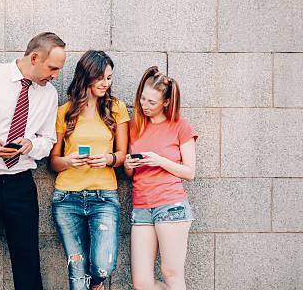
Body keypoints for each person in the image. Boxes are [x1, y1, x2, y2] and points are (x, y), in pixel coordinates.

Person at [0, 32, 67, 290]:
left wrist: (31, 146)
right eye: (52, 68)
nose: (55, 75)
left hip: (21, 185)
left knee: (27, 259)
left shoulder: (49, 94)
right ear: (35, 57)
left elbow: (48, 139)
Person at [50, 51, 129, 290]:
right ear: (86, 77)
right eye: (101, 78)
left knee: (102, 265)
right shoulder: (64, 111)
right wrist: (69, 161)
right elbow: (53, 160)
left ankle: (96, 284)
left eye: (110, 78)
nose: (107, 83)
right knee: (77, 270)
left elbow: (123, 154)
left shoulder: (116, 108)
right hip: (66, 198)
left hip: (103, 197)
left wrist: (108, 158)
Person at [124, 66, 197, 290]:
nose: (145, 105)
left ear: (166, 103)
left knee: (171, 273)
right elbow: (130, 174)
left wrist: (159, 160)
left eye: (152, 102)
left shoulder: (180, 127)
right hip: (142, 208)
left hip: (171, 206)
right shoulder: (134, 126)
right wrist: (128, 165)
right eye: (142, 99)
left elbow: (190, 172)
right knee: (142, 283)